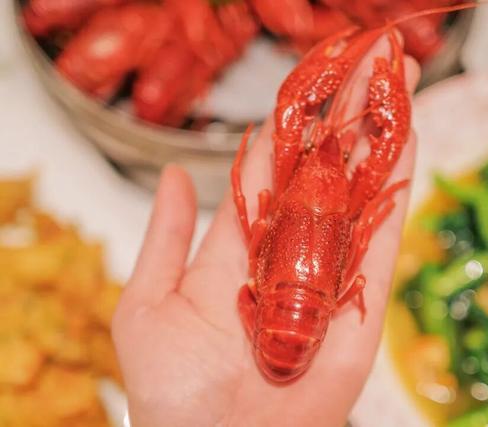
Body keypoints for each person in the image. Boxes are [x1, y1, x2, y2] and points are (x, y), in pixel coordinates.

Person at [112, 37, 420, 427]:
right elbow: (359, 251)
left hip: (292, 314)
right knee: (370, 203)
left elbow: (292, 108)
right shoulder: (348, 208)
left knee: (289, 119)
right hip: (295, 316)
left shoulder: (286, 186)